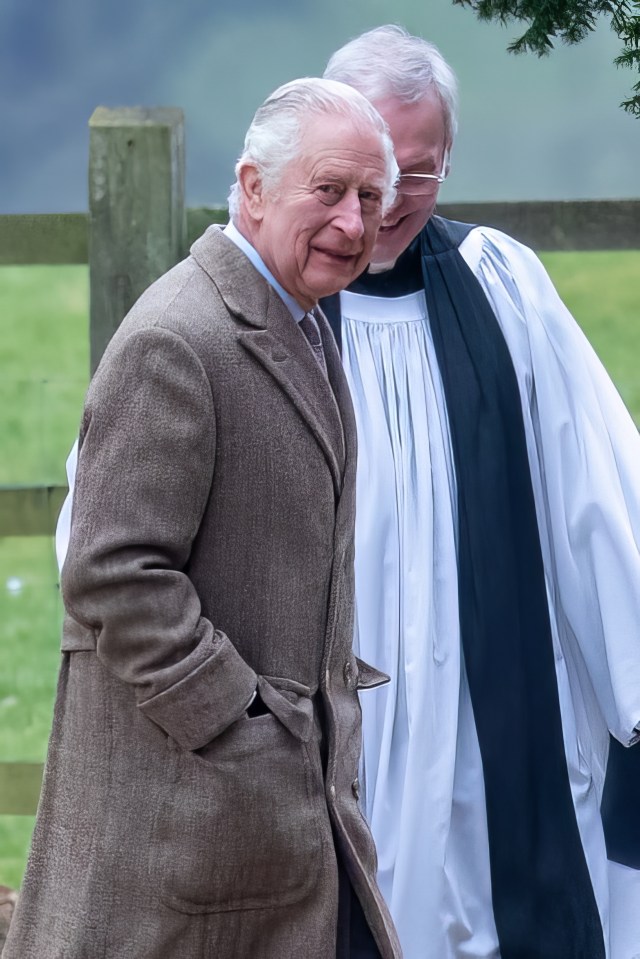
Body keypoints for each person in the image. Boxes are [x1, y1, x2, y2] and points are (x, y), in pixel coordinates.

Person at [4, 77, 402, 959]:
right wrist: (243, 721)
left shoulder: (300, 319)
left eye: (372, 198)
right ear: (253, 188)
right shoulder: (177, 339)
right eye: (329, 191)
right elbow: (112, 571)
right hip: (197, 819)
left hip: (284, 809)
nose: (353, 222)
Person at [320, 25, 640, 959]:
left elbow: (598, 492)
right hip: (319, 705)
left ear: (449, 160)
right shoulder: (258, 299)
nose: (386, 205)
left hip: (487, 706)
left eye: (416, 173)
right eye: (365, 169)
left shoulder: (504, 287)